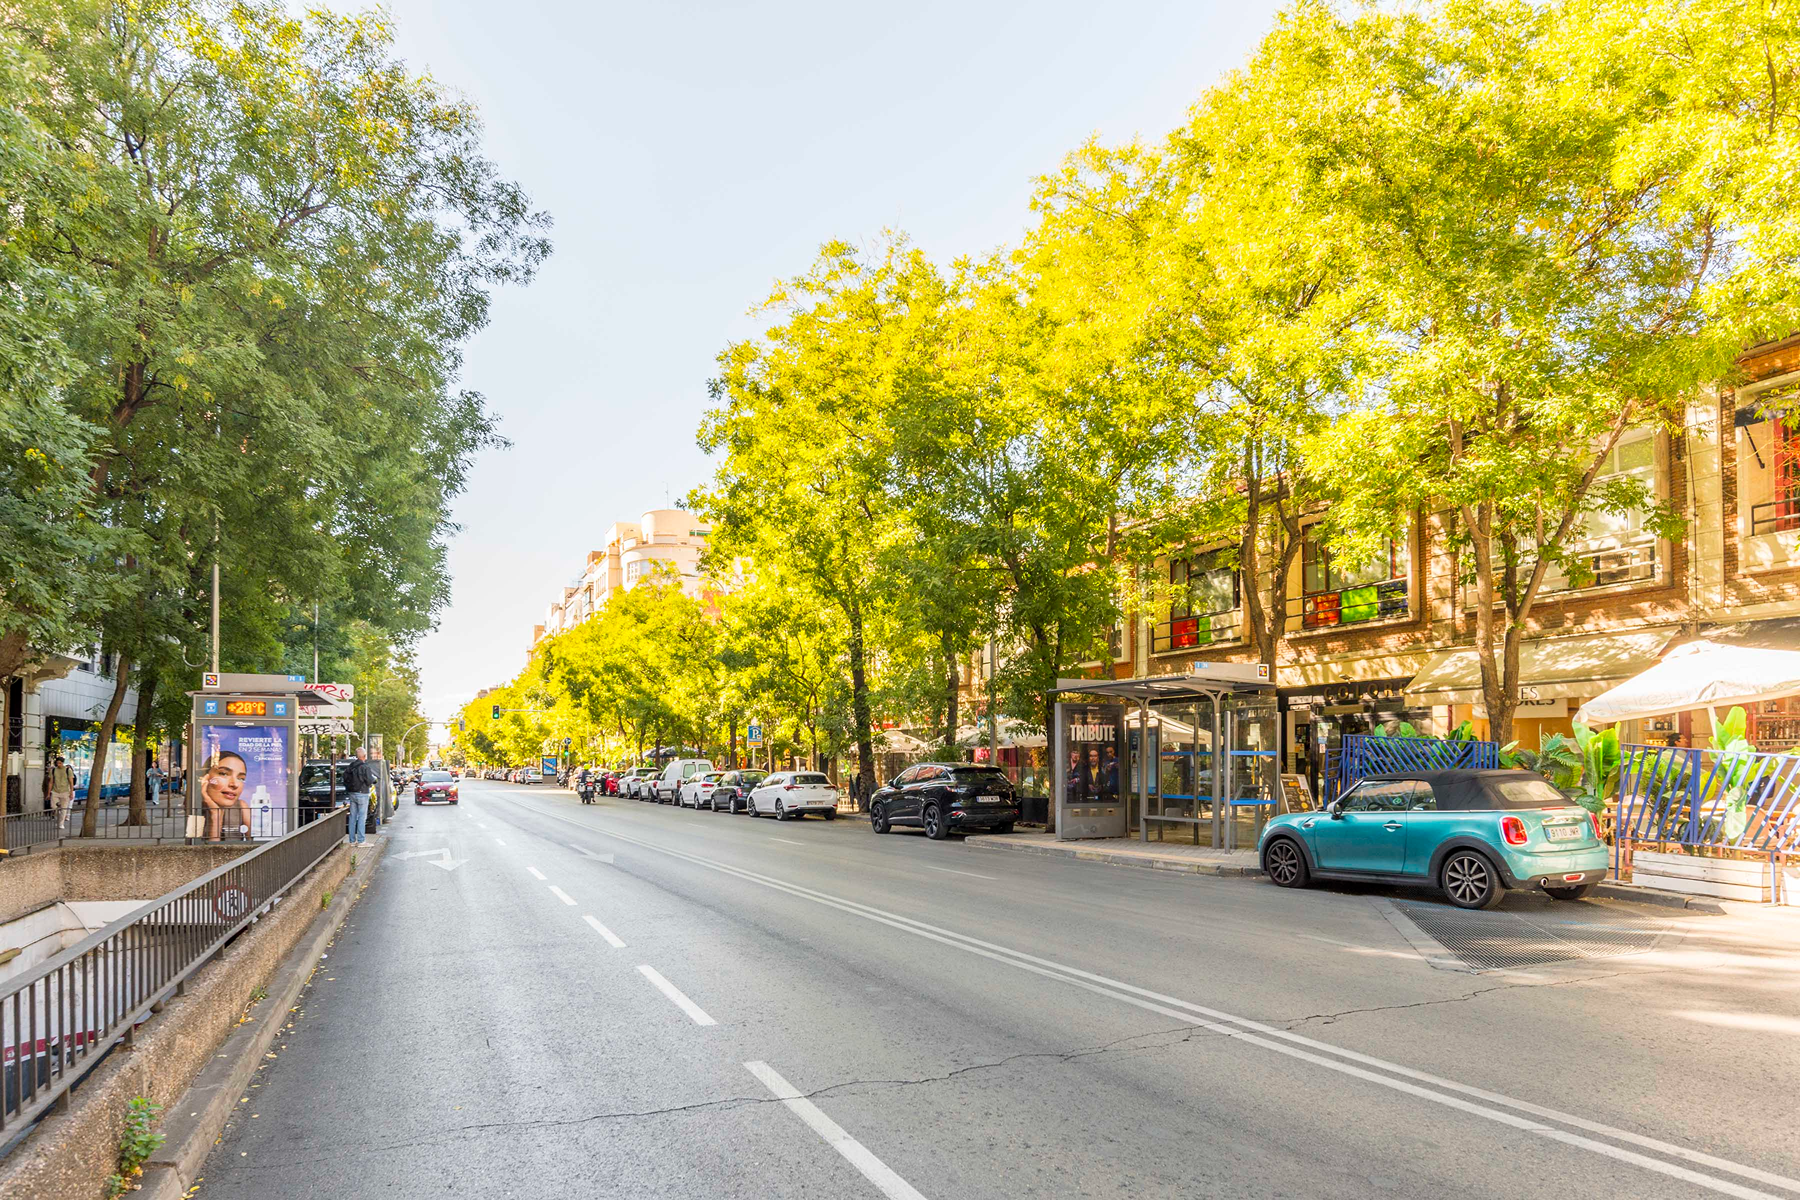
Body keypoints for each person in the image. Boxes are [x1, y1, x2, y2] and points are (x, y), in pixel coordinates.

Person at [198, 750, 253, 843]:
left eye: (241, 778)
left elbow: (253, 845)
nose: (234, 784)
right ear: (205, 777)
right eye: (223, 774)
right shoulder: (196, 805)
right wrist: (215, 815)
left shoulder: (241, 806)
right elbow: (212, 851)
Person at [341, 748, 373, 847]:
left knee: (352, 817)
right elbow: (369, 780)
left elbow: (345, 778)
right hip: (362, 793)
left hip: (352, 793)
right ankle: (361, 841)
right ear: (364, 756)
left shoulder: (351, 766)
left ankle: (351, 841)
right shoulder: (365, 766)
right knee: (362, 817)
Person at [46, 755, 76, 832]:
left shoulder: (68, 770)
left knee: (64, 808)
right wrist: (48, 793)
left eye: (60, 763)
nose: (58, 765)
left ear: (62, 763)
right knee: (53, 806)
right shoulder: (53, 770)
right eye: (57, 763)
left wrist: (71, 792)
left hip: (65, 791)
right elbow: (51, 782)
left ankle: (61, 823)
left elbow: (71, 782)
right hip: (55, 791)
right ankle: (59, 817)